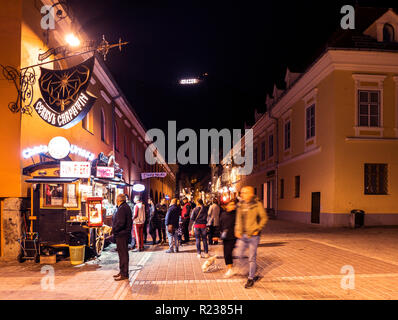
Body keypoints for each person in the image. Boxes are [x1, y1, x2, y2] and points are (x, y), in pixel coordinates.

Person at [235, 186, 268, 289]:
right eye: (242, 192)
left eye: (244, 192)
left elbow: (264, 218)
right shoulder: (240, 205)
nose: (242, 194)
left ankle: (250, 278)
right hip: (243, 235)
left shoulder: (257, 204)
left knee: (251, 257)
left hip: (253, 235)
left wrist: (258, 229)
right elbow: (238, 219)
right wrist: (237, 230)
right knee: (238, 254)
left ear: (250, 193)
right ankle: (250, 270)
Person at [112, 194, 132, 281]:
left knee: (123, 254)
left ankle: (124, 273)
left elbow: (121, 223)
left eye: (116, 199)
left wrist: (114, 229)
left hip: (122, 234)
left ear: (119, 200)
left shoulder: (122, 208)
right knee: (122, 254)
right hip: (123, 234)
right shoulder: (125, 207)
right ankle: (122, 271)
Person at [219, 199, 238, 278]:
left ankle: (231, 268)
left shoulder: (237, 214)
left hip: (234, 236)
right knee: (227, 253)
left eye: (233, 205)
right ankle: (230, 268)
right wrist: (217, 234)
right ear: (226, 206)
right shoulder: (223, 214)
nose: (232, 206)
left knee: (229, 252)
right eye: (230, 205)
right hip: (225, 237)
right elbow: (220, 224)